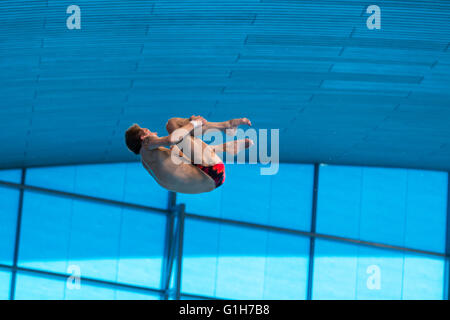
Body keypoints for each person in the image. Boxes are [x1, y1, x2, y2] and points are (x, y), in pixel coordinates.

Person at [125, 116, 253, 194]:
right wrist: (193, 123)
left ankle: (226, 147)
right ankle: (226, 126)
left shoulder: (147, 163)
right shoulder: (147, 144)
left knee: (179, 145)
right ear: (143, 137)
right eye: (149, 131)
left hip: (212, 181)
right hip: (212, 170)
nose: (155, 132)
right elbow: (171, 139)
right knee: (172, 124)